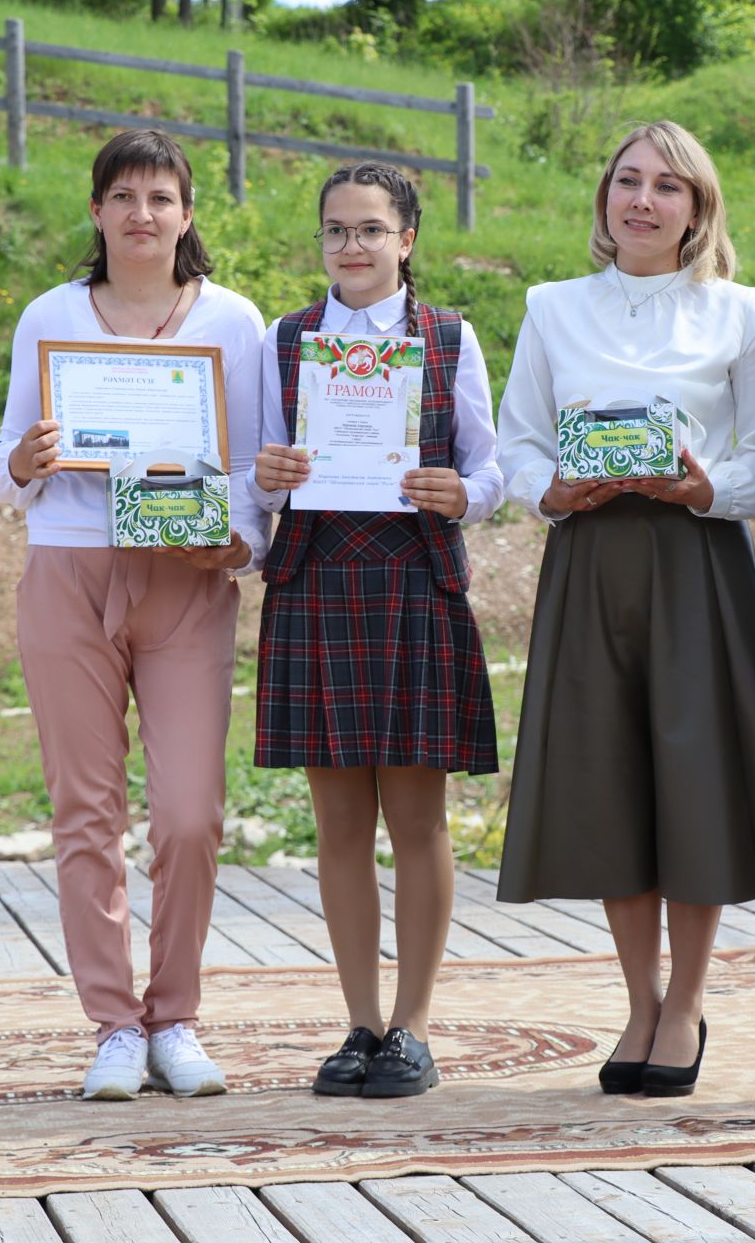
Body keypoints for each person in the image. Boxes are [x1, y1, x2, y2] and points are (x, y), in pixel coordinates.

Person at [494, 120, 755, 1099]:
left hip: (697, 558)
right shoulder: (551, 309)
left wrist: (705, 488)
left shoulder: (742, 313)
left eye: (667, 186)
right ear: (603, 198)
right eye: (626, 180)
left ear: (698, 207)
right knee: (608, 780)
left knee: (696, 779)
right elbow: (518, 446)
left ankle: (687, 1003)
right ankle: (638, 997)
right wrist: (553, 491)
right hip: (589, 556)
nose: (642, 199)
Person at [0, 129, 267, 1101]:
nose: (141, 214)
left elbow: (250, 476)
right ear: (97, 210)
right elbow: (11, 462)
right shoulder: (50, 317)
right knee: (86, 811)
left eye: (160, 197)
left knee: (189, 812)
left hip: (186, 581)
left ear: (188, 214)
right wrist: (22, 461)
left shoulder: (235, 322)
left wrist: (230, 541)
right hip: (67, 569)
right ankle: (114, 1022)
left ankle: (176, 1015)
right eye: (123, 196)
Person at [248, 161, 501, 1099]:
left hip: (415, 584)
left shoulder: (449, 337)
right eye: (334, 231)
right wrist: (268, 477)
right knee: (339, 824)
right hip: (316, 585)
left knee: (419, 818)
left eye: (368, 229)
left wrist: (461, 492)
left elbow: (490, 466)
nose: (349, 246)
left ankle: (415, 1028)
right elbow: (254, 478)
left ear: (407, 240)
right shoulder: (287, 340)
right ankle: (358, 1025)